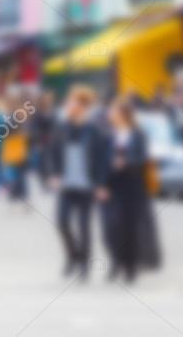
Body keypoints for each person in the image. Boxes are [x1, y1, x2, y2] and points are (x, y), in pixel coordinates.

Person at [49, 86, 108, 278]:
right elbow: (52, 153)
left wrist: (100, 184)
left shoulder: (94, 131)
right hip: (67, 184)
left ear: (82, 106)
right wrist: (54, 174)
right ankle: (73, 255)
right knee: (62, 221)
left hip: (86, 185)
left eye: (71, 103)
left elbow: (101, 159)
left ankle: (84, 264)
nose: (67, 106)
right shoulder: (62, 128)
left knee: (84, 226)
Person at [102, 96, 150, 283]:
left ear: (123, 114)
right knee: (110, 227)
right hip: (112, 184)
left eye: (113, 111)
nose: (110, 114)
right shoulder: (108, 135)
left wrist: (126, 162)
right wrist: (101, 183)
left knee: (128, 227)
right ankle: (116, 260)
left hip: (132, 184)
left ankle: (130, 265)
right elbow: (101, 160)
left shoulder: (138, 135)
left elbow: (142, 159)